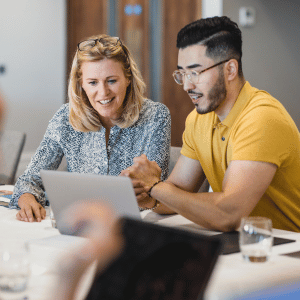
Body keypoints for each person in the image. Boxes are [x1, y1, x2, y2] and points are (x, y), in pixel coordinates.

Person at [122, 16, 300, 232]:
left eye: (195, 72)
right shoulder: (198, 119)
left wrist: (154, 186)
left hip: (286, 248)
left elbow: (228, 214)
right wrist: (146, 193)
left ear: (230, 70)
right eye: (183, 73)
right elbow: (177, 192)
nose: (187, 85)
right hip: (240, 241)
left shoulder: (261, 118)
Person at [10, 34, 171, 222]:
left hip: (136, 227)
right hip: (80, 224)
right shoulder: (65, 117)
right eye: (93, 82)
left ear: (128, 78)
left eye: (111, 80)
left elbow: (157, 192)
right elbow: (29, 179)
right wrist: (26, 198)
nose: (103, 92)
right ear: (81, 84)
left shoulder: (156, 116)